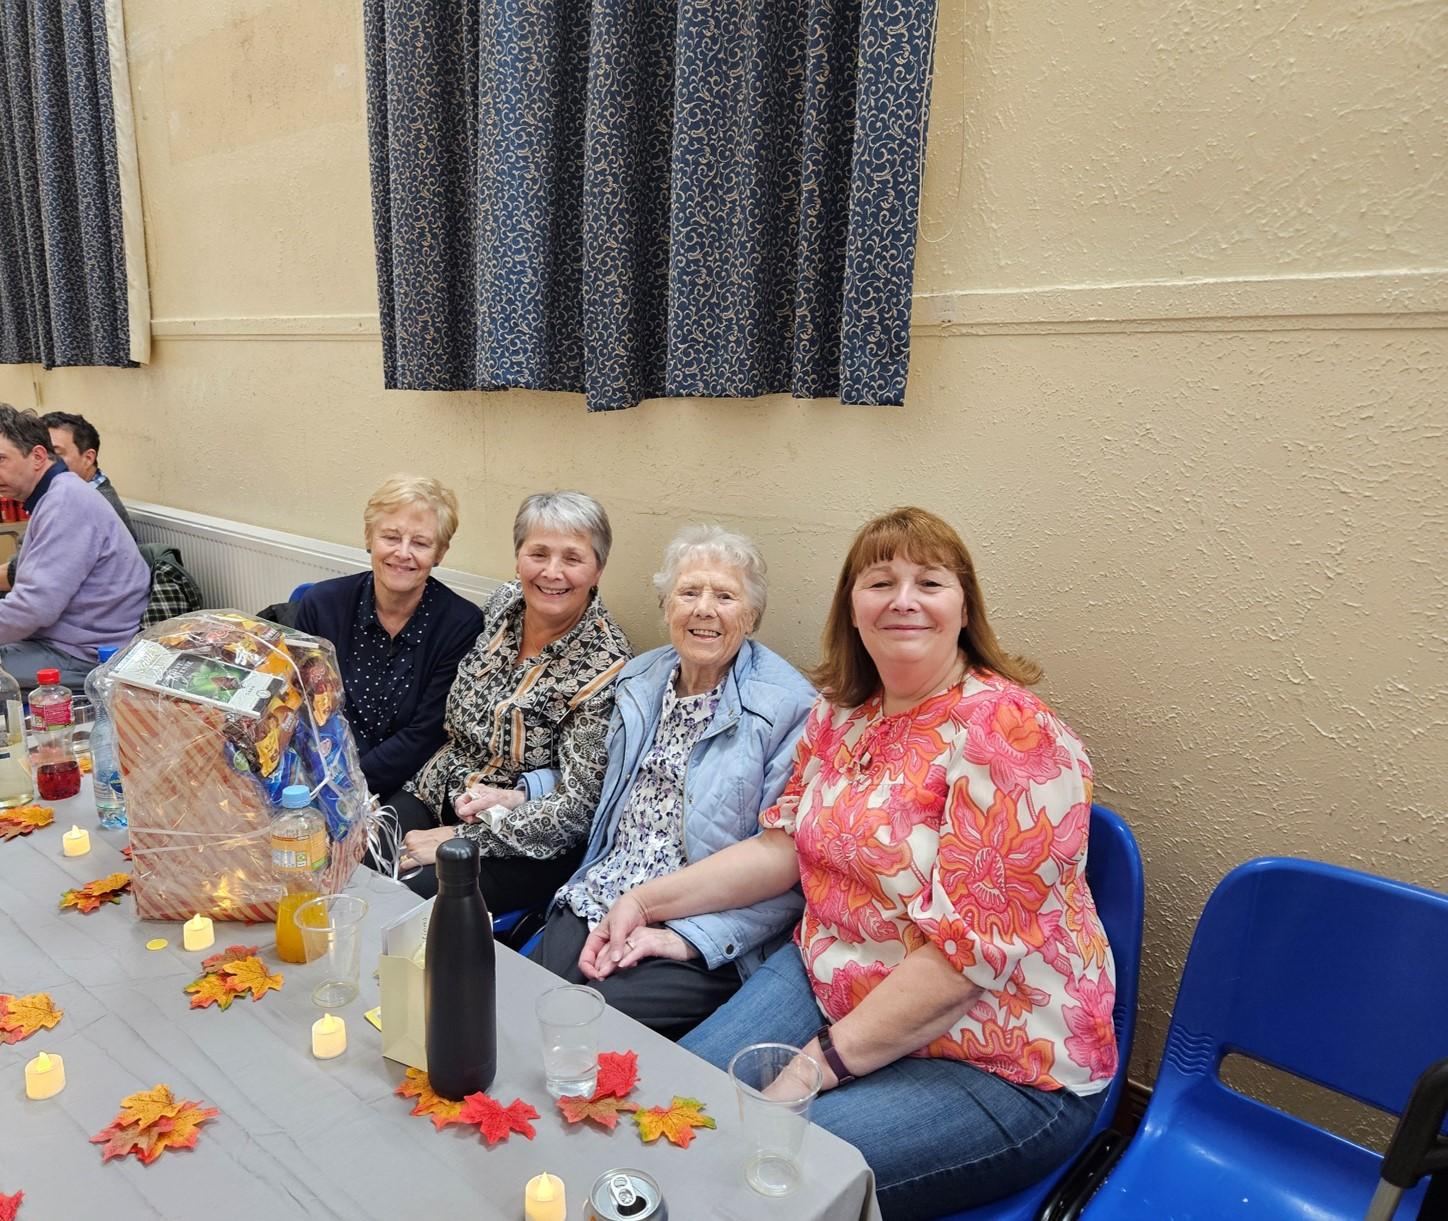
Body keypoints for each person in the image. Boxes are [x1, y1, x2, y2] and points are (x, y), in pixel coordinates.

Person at [583, 507, 1116, 1219]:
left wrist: (814, 1066)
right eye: (880, 582)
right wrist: (647, 902)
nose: (903, 599)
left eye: (929, 582)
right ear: (852, 607)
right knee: (669, 1109)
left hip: (1003, 1055)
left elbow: (964, 965)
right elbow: (781, 845)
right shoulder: (843, 712)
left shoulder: (1013, 736)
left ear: (964, 608)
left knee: (752, 1172)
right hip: (834, 976)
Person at [530, 525, 815, 1036]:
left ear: (751, 616)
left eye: (724, 596)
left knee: (589, 1027)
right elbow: (594, 779)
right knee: (529, 1003)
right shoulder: (638, 680)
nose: (704, 609)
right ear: (666, 607)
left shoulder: (789, 709)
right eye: (688, 593)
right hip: (605, 891)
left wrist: (691, 940)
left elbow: (792, 869)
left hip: (703, 925)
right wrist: (523, 791)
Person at [392, 491, 633, 908]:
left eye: (572, 559)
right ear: (518, 558)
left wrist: (463, 838)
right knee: (352, 857)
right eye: (538, 554)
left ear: (598, 570)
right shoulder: (504, 603)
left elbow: (579, 807)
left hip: (520, 838)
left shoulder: (607, 667)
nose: (552, 572)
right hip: (435, 789)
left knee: (403, 903)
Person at [294, 476, 483, 799]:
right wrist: (326, 787)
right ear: (369, 537)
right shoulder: (321, 605)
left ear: (440, 553)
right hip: (320, 775)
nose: (403, 553)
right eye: (391, 537)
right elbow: (308, 712)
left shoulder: (461, 624)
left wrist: (350, 790)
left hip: (411, 788)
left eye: (421, 543)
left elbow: (426, 734)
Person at [0, 404, 149, 689]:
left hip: (83, 656)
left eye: (1, 459)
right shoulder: (57, 493)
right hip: (65, 642)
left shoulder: (65, 502)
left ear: (38, 456)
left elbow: (32, 609)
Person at [41, 411, 137, 537]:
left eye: (56, 453)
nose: (44, 461)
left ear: (88, 458)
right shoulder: (65, 493)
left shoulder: (97, 506)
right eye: (41, 453)